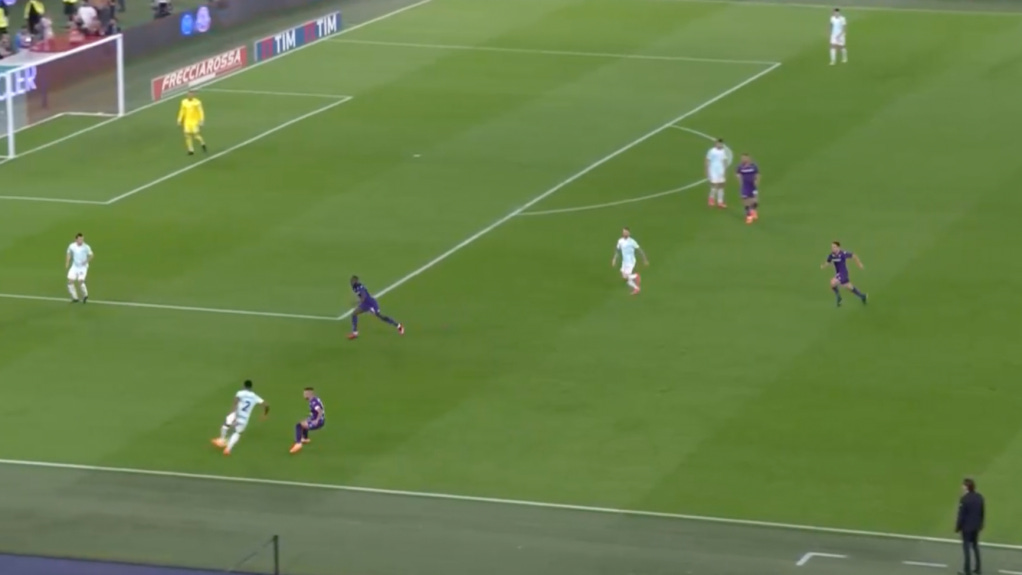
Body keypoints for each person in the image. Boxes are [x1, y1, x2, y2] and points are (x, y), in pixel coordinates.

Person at [213, 380, 269, 455]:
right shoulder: (255, 397)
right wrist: (264, 414)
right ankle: (228, 449)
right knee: (237, 432)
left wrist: (232, 413)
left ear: (244, 385)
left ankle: (222, 440)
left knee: (225, 425)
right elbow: (266, 405)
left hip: (236, 414)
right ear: (251, 387)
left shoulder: (240, 393)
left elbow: (235, 403)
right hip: (244, 418)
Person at [820, 241, 867, 307]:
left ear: (838, 247)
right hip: (838, 273)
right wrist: (823, 266)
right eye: (832, 247)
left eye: (834, 247)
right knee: (849, 287)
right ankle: (862, 296)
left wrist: (859, 264)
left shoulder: (843, 253)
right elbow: (828, 262)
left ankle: (839, 298)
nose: (833, 248)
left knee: (832, 282)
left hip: (843, 273)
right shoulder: (831, 255)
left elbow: (854, 256)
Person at [956, 478, 985, 575]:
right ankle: (978, 568)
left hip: (966, 528)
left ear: (966, 487)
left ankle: (967, 570)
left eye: (963, 485)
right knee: (975, 546)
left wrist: (958, 527)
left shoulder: (964, 499)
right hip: (976, 527)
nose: (962, 487)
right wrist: (980, 524)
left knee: (966, 548)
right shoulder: (979, 497)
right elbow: (982, 512)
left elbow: (961, 515)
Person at [612, 227, 648, 295]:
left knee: (627, 277)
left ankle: (636, 284)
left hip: (630, 261)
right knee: (624, 277)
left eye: (626, 232)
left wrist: (644, 259)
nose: (625, 233)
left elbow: (639, 250)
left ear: (629, 233)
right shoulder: (620, 241)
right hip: (624, 262)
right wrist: (614, 259)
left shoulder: (632, 242)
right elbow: (617, 250)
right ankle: (634, 277)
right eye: (624, 232)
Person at [290, 387, 325, 454]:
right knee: (304, 422)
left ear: (310, 394)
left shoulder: (313, 402)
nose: (304, 395)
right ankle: (305, 439)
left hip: (318, 422)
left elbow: (320, 411)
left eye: (305, 394)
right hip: (315, 419)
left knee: (299, 425)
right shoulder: (315, 399)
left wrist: (316, 420)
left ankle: (298, 444)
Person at [65, 233, 93, 304]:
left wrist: (86, 261)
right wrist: (67, 262)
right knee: (70, 282)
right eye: (80, 239)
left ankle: (85, 295)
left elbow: (91, 255)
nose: (81, 241)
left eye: (82, 239)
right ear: (76, 239)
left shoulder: (86, 247)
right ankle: (75, 298)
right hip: (75, 266)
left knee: (80, 281)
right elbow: (68, 253)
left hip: (83, 267)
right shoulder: (72, 246)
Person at [177, 90, 207, 155]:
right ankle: (191, 150)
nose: (189, 96)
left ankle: (202, 143)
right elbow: (182, 111)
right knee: (187, 135)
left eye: (191, 94)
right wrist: (179, 120)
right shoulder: (184, 102)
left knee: (195, 136)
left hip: (195, 121)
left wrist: (201, 120)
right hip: (187, 121)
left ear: (193, 95)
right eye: (188, 94)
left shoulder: (197, 102)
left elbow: (201, 112)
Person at [735, 153, 760, 224]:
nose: (743, 159)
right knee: (745, 200)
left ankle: (753, 211)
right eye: (742, 158)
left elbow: (757, 174)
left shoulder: (753, 166)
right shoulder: (740, 167)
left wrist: (756, 181)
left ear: (748, 158)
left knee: (754, 200)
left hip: (752, 185)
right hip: (745, 186)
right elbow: (737, 174)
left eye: (744, 158)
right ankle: (749, 216)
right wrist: (740, 180)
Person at [705, 138, 729, 208]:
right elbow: (707, 160)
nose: (719, 144)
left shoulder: (723, 151)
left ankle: (720, 202)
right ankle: (711, 198)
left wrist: (725, 170)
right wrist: (707, 171)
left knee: (721, 185)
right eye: (718, 143)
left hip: (721, 170)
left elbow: (724, 160)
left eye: (721, 143)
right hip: (713, 170)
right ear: (715, 144)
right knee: (714, 185)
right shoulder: (712, 151)